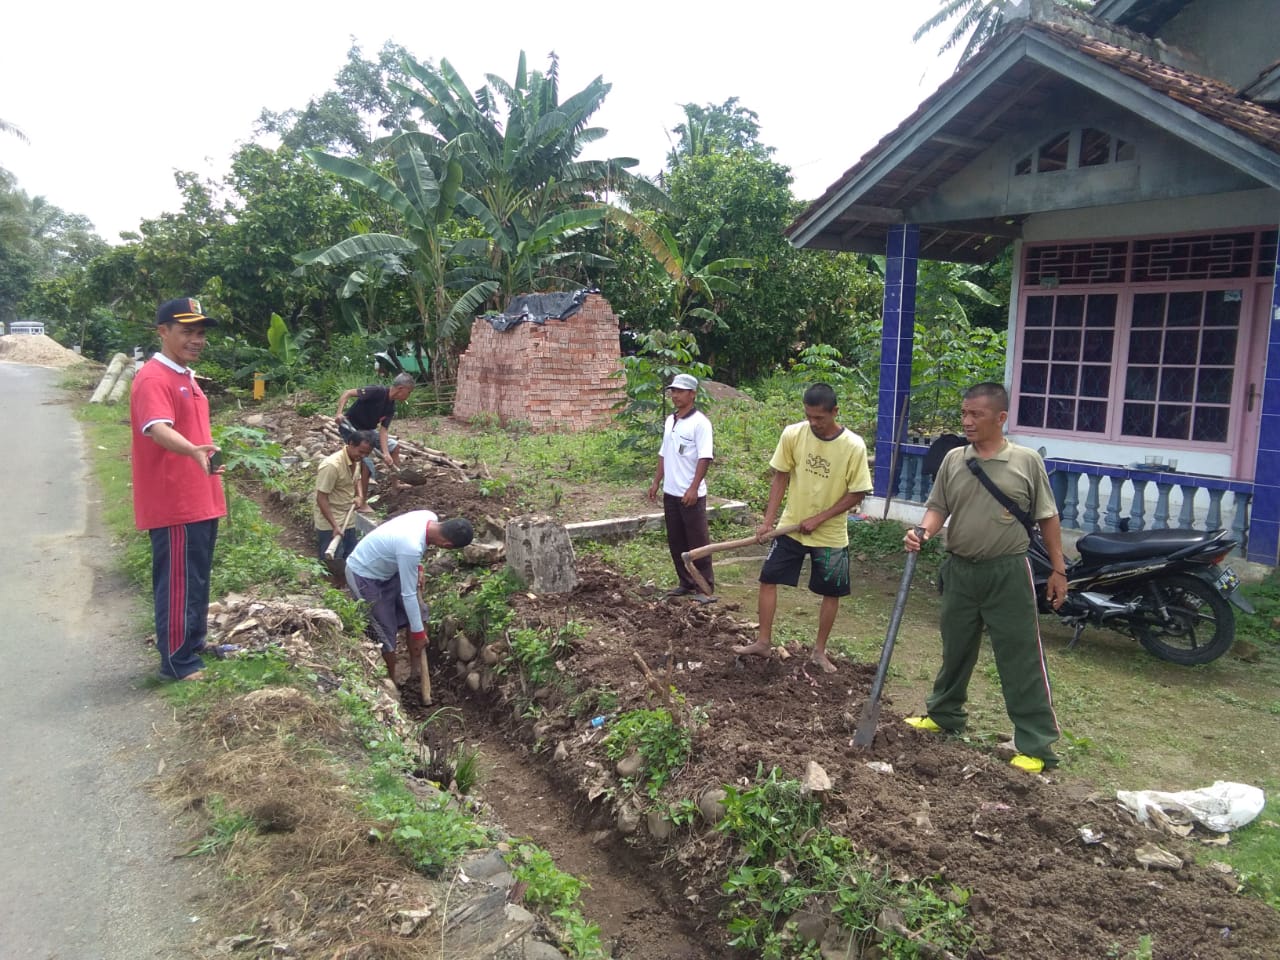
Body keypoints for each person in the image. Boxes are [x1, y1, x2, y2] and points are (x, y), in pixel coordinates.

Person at [902, 382, 1068, 775]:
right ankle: (944, 714)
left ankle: (1036, 744)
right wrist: (921, 532)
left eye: (976, 414)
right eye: (964, 413)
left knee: (1020, 656)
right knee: (955, 647)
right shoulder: (954, 460)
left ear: (1001, 418)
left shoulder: (1026, 461)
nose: (967, 421)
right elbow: (937, 507)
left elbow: (1048, 517)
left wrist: (1059, 570)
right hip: (959, 570)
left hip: (1007, 571)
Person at [732, 383, 872, 674]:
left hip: (830, 534)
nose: (813, 423)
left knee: (830, 592)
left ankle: (819, 652)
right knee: (768, 578)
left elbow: (857, 493)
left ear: (835, 411)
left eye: (819, 417)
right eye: (809, 416)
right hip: (790, 528)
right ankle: (763, 641)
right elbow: (780, 478)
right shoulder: (793, 434)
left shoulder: (853, 446)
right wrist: (769, 521)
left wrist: (820, 518)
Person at [129, 297, 227, 681]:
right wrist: (191, 450)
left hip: (200, 498)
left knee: (196, 577)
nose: (197, 339)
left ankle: (193, 643)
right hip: (176, 500)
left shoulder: (185, 376)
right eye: (187, 331)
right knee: (178, 582)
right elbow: (157, 428)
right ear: (163, 331)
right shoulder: (154, 378)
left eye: (200, 332)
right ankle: (176, 662)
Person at [344, 510, 474, 685]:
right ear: (446, 544)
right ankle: (391, 684)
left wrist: (418, 567)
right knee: (385, 631)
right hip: (363, 574)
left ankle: (416, 674)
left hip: (390, 568)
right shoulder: (411, 546)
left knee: (420, 614)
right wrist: (419, 634)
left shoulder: (428, 516)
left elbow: (410, 556)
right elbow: (408, 595)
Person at [648, 373, 715, 602]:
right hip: (672, 492)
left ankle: (704, 587)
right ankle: (685, 582)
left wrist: (693, 488)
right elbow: (664, 453)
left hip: (691, 494)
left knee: (697, 541)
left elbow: (704, 457)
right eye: (673, 391)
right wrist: (657, 481)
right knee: (676, 540)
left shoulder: (700, 424)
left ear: (692, 394)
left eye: (680, 391)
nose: (675, 395)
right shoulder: (671, 420)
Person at [335, 372, 414, 478]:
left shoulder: (391, 407)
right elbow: (347, 393)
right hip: (350, 428)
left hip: (368, 431)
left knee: (394, 447)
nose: (409, 395)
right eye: (409, 392)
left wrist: (386, 453)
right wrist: (339, 413)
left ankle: (397, 484)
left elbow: (384, 430)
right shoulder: (377, 391)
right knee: (366, 463)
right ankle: (362, 489)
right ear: (400, 388)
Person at [314, 429, 376, 562]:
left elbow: (357, 478)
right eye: (361, 451)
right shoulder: (331, 466)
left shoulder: (356, 459)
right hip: (330, 521)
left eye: (367, 453)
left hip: (348, 518)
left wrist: (359, 495)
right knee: (332, 561)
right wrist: (335, 526)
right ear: (351, 444)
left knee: (350, 556)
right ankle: (330, 582)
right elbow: (321, 498)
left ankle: (345, 581)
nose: (363, 456)